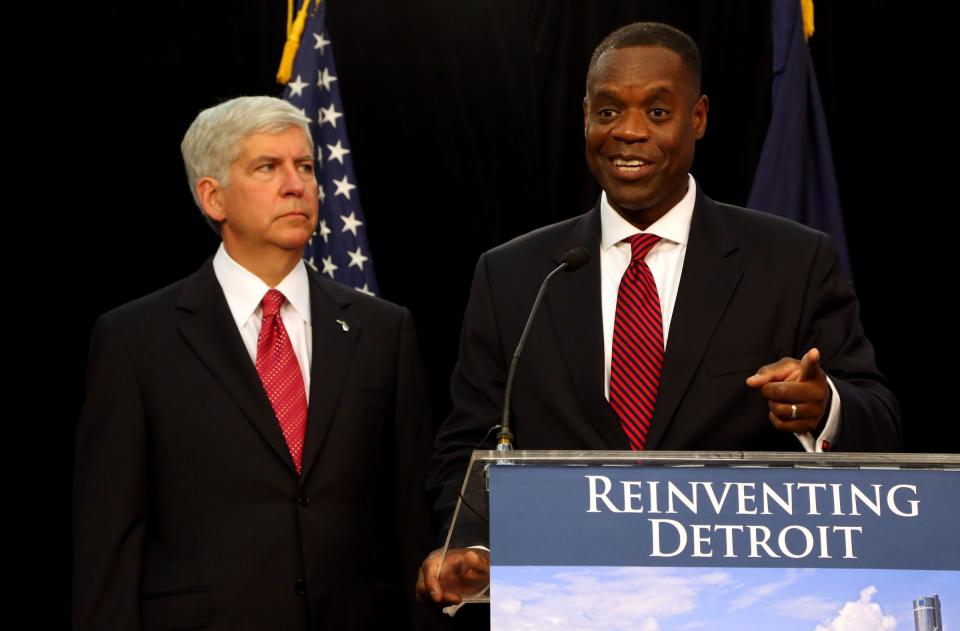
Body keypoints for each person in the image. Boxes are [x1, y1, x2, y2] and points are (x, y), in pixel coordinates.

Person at [417, 21, 900, 608]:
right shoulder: (514, 275)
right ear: (585, 116)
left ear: (697, 119)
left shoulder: (791, 261)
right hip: (565, 603)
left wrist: (824, 409)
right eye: (608, 111)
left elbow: (878, 417)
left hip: (739, 603)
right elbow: (469, 442)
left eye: (657, 112)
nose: (628, 132)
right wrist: (471, 546)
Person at [73, 96, 435, 630]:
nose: (297, 185)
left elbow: (412, 521)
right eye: (268, 167)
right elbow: (110, 538)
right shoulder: (135, 339)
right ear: (213, 197)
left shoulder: (382, 330)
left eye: (305, 167)